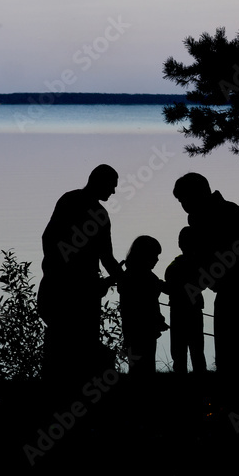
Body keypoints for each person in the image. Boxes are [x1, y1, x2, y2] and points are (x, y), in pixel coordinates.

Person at [38, 164, 125, 387]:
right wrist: (122, 278)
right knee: (78, 344)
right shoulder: (96, 213)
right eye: (112, 186)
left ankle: (58, 391)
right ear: (100, 182)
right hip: (79, 291)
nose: (114, 192)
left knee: (64, 345)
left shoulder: (70, 201)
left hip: (70, 287)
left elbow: (48, 239)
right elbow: (107, 257)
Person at [171, 173, 239, 387]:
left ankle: (236, 391)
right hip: (224, 288)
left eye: (184, 200)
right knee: (227, 349)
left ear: (197, 195)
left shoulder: (228, 213)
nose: (183, 206)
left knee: (235, 348)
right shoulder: (201, 217)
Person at [119, 235, 170, 380]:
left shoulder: (129, 275)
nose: (157, 259)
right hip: (143, 330)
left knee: (137, 370)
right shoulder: (145, 277)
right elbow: (147, 306)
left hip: (132, 330)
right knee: (146, 370)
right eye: (155, 255)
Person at [164, 227, 207, 375]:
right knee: (197, 351)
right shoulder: (201, 265)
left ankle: (180, 379)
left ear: (180, 244)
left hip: (177, 311)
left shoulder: (173, 267)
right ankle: (200, 379)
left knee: (178, 351)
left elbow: (170, 287)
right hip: (194, 311)